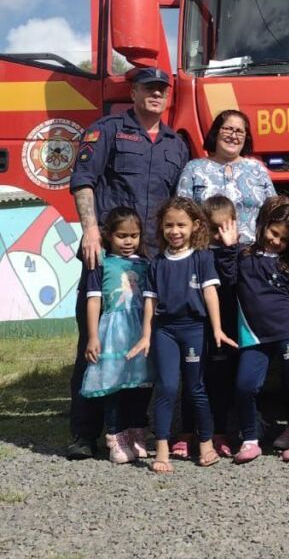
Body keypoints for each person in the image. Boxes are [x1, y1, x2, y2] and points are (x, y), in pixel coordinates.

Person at [67, 67, 189, 460]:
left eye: (161, 90)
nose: (156, 94)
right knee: (94, 342)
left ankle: (131, 428)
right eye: (148, 88)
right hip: (104, 257)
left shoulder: (175, 144)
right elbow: (83, 178)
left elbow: (177, 205)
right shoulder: (107, 130)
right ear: (133, 92)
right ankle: (84, 433)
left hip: (152, 261)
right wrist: (90, 232)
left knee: (144, 343)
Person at [127, 197, 236, 473]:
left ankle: (206, 444)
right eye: (169, 225)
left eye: (181, 225)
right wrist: (145, 335)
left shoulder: (202, 258)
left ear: (195, 226)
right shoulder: (157, 263)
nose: (174, 231)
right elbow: (150, 302)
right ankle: (162, 449)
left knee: (196, 388)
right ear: (161, 228)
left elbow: (210, 294)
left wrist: (217, 329)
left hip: (194, 330)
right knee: (166, 388)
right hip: (166, 331)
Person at [217, 203, 289, 463]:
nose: (276, 240)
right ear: (264, 225)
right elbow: (228, 280)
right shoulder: (244, 254)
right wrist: (227, 249)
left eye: (283, 238)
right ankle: (249, 440)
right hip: (253, 334)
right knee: (245, 386)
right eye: (274, 232)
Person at [80, 207, 153, 464]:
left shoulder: (146, 264)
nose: (128, 241)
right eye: (122, 235)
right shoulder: (101, 263)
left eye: (134, 235)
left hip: (140, 332)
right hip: (112, 333)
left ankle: (136, 432)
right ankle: (115, 436)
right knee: (114, 386)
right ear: (108, 235)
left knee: (140, 386)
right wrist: (92, 336)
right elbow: (94, 301)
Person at [172, 195, 241, 460]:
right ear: (202, 227)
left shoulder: (237, 252)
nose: (219, 235)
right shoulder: (196, 255)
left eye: (225, 227)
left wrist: (228, 249)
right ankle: (187, 432)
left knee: (221, 381)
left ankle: (220, 432)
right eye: (214, 229)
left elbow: (232, 281)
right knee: (192, 379)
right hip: (196, 327)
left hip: (225, 327)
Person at [176, 109, 276, 243]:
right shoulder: (194, 168)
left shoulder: (258, 169)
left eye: (239, 132)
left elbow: (274, 211)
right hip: (208, 253)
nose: (233, 136)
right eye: (228, 129)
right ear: (216, 133)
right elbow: (181, 213)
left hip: (251, 254)